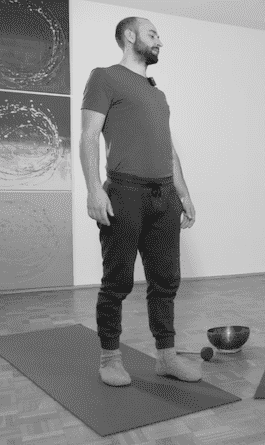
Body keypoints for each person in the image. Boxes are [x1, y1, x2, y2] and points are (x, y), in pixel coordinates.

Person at [80, 17, 199, 386]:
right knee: (117, 282)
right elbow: (89, 135)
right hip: (124, 193)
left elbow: (168, 149)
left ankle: (166, 357)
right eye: (152, 34)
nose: (159, 41)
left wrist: (184, 193)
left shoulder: (157, 94)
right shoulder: (105, 77)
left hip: (164, 197)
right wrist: (93, 189)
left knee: (166, 281)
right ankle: (110, 359)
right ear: (130, 36)